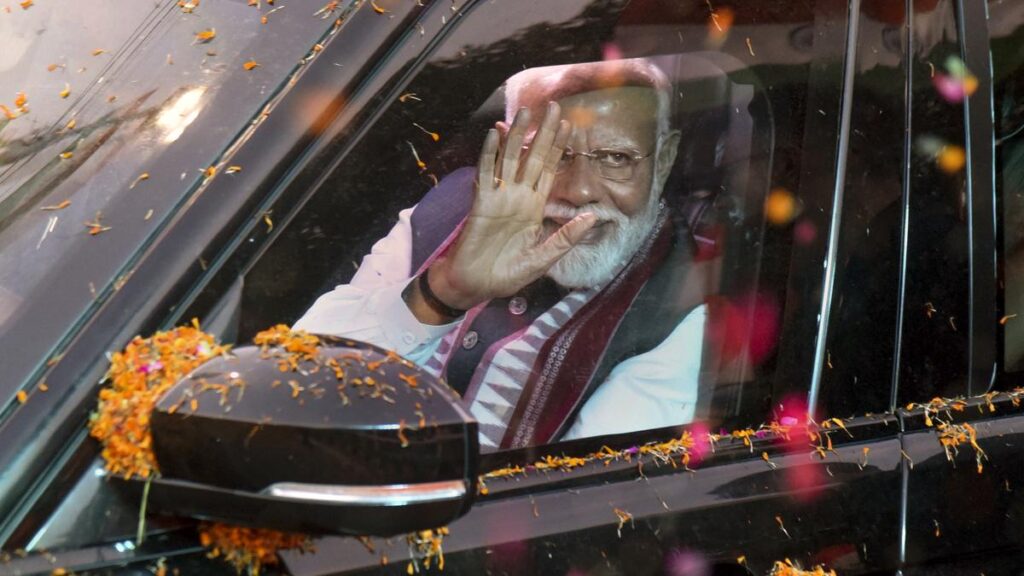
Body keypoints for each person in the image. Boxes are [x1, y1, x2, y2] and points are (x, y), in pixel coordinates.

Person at [295, 59, 710, 449]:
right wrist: (444, 292)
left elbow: (585, 491)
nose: (579, 190)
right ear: (507, 150)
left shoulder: (678, 305)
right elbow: (300, 378)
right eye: (550, 155)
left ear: (664, 160)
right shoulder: (450, 205)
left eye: (616, 158)